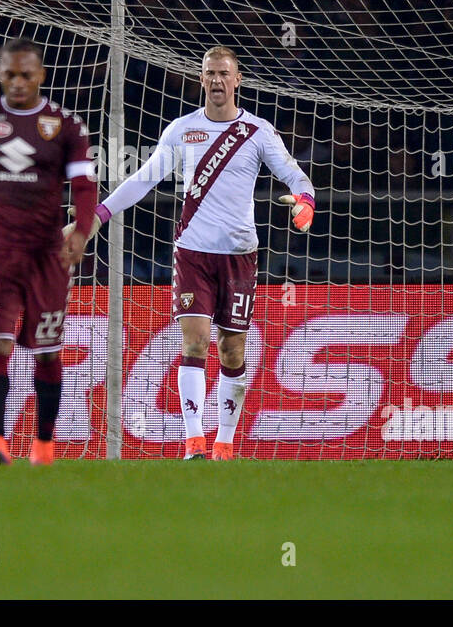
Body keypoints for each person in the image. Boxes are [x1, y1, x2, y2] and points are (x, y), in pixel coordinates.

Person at [75, 46, 315, 460]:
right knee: (196, 342)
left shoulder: (258, 131)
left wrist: (305, 200)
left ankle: (223, 441)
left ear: (237, 80)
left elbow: (294, 174)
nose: (217, 80)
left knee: (232, 349)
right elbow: (144, 180)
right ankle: (193, 442)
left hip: (239, 255)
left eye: (224, 73)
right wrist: (98, 214)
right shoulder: (181, 130)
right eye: (210, 74)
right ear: (201, 80)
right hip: (192, 253)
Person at [0, 38, 96, 465]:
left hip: (47, 258)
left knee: (48, 351)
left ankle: (44, 445)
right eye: (9, 74)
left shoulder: (64, 126)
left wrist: (81, 232)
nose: (17, 83)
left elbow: (85, 188)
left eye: (26, 75)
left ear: (41, 76)